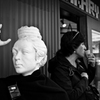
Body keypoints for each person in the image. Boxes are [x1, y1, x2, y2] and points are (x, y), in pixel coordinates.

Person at [0, 26, 69, 100]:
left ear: (39, 57)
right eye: (14, 52)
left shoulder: (56, 94)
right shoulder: (11, 84)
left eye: (24, 52)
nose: (16, 57)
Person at [48, 31, 99, 100]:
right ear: (74, 47)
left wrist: (91, 66)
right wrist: (84, 79)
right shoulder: (59, 69)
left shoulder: (78, 62)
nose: (85, 47)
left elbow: (87, 81)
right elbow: (70, 96)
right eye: (82, 44)